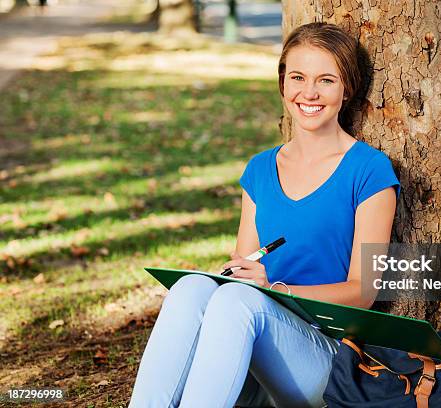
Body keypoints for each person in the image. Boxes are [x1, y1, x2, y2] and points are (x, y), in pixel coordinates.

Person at [129, 22, 400, 408]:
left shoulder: (369, 170)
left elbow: (363, 291)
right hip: (251, 351)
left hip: (326, 360)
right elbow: (243, 269)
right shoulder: (259, 169)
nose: (309, 92)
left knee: (239, 301)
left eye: (326, 80)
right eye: (298, 78)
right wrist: (235, 277)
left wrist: (275, 290)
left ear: (347, 89)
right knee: (191, 288)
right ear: (283, 84)